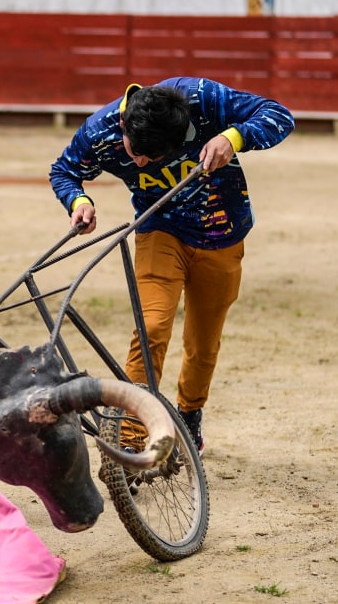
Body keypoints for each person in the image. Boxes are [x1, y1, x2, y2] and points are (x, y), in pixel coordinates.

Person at [49, 77, 294, 454]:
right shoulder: (100, 131)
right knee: (150, 327)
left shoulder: (202, 99)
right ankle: (129, 438)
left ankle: (190, 414)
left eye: (153, 156)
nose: (141, 162)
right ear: (125, 127)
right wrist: (78, 200)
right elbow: (64, 170)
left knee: (203, 341)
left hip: (223, 234)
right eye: (135, 152)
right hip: (159, 230)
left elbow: (279, 116)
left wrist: (234, 137)